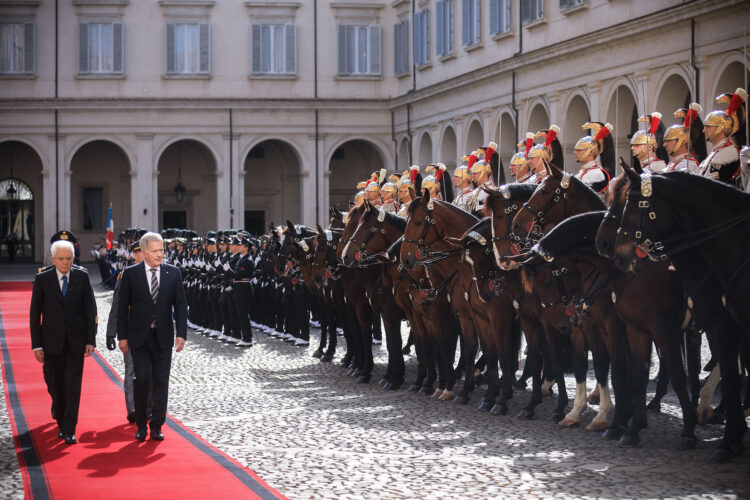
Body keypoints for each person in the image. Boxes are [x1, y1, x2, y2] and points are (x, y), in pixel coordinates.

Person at [117, 231, 187, 441]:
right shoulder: (131, 273)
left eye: (162, 250)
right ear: (144, 252)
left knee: (161, 381)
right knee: (142, 379)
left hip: (163, 336)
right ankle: (141, 424)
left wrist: (181, 334)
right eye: (155, 251)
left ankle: (157, 425)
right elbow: (122, 308)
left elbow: (181, 305)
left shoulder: (173, 273)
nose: (159, 255)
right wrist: (122, 337)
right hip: (139, 337)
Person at [29, 238, 97, 445]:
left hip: (76, 342)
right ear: (53, 259)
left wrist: (90, 339)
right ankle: (60, 419)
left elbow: (90, 310)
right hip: (51, 342)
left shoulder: (81, 277)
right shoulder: (43, 278)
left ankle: (69, 429)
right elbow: (35, 314)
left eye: (69, 258)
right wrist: (37, 345)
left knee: (72, 386)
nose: (66, 263)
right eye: (61, 259)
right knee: (56, 385)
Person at [106, 241, 152, 423]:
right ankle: (133, 408)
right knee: (132, 370)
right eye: (140, 252)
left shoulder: (158, 273)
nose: (144, 254)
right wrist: (111, 332)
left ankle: (148, 408)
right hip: (132, 331)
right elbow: (118, 306)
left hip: (153, 332)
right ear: (135, 255)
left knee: (150, 372)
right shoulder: (126, 276)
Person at [572, 122, 614, 194]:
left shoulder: (596, 174)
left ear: (590, 152)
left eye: (579, 150)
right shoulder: (584, 172)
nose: (575, 152)